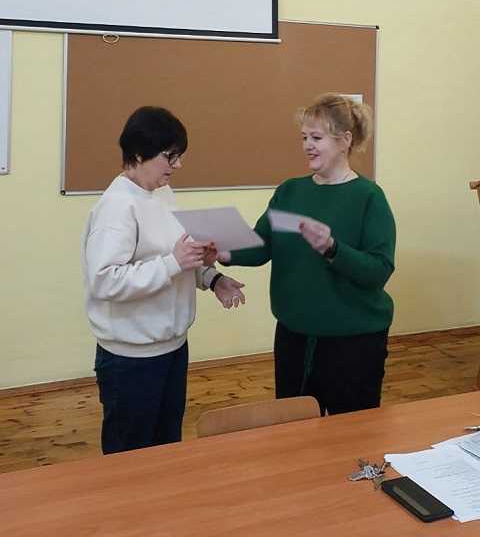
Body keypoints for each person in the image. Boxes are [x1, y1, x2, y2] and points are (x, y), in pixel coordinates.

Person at [219, 93, 396, 416]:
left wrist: (333, 249)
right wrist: (222, 250)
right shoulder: (290, 191)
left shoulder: (368, 197)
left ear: (345, 141)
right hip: (294, 338)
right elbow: (262, 244)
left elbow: (378, 270)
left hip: (353, 343)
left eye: (316, 138)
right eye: (304, 138)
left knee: (351, 434)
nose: (307, 146)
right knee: (294, 428)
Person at [82, 106, 245, 454]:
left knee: (167, 449)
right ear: (140, 153)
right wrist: (173, 262)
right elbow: (105, 281)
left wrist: (212, 277)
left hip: (172, 347)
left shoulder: (161, 193)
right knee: (130, 455)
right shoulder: (117, 208)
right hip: (131, 358)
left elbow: (176, 255)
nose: (178, 165)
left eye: (179, 155)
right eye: (170, 156)